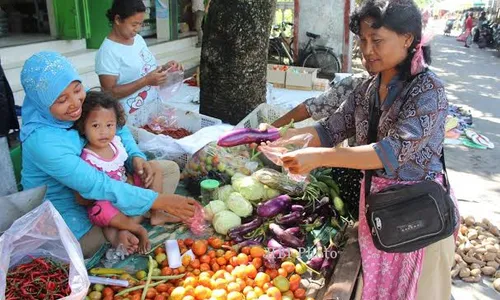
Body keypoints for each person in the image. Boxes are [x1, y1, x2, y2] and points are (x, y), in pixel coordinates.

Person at [274, 1, 457, 299]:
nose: (367, 49)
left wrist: (318, 157)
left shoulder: (428, 90)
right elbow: (330, 129)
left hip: (418, 218)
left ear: (408, 39)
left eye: (377, 40)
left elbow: (389, 152)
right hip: (378, 214)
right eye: (363, 40)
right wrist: (282, 137)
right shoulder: (366, 90)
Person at [20, 51, 197, 258]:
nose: (76, 103)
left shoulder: (80, 100)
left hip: (106, 184)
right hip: (72, 211)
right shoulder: (42, 141)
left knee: (167, 170)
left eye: (77, 90)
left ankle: (127, 222)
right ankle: (125, 226)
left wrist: (135, 156)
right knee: (91, 241)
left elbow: (118, 126)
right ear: (43, 103)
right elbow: (95, 185)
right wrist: (160, 201)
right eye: (62, 100)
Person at [74, 91, 178, 254]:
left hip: (126, 191)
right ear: (83, 127)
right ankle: (122, 233)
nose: (104, 132)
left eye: (109, 125)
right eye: (95, 126)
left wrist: (134, 176)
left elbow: (123, 169)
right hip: (108, 202)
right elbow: (82, 197)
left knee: (154, 168)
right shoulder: (87, 158)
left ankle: (156, 214)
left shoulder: (116, 143)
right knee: (101, 211)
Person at [96, 0, 183, 127]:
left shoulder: (138, 39)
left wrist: (166, 68)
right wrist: (146, 81)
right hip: (130, 120)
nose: (138, 29)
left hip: (152, 112)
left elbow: (146, 69)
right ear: (118, 20)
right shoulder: (108, 52)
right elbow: (109, 93)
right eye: (134, 24)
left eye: (141, 24)